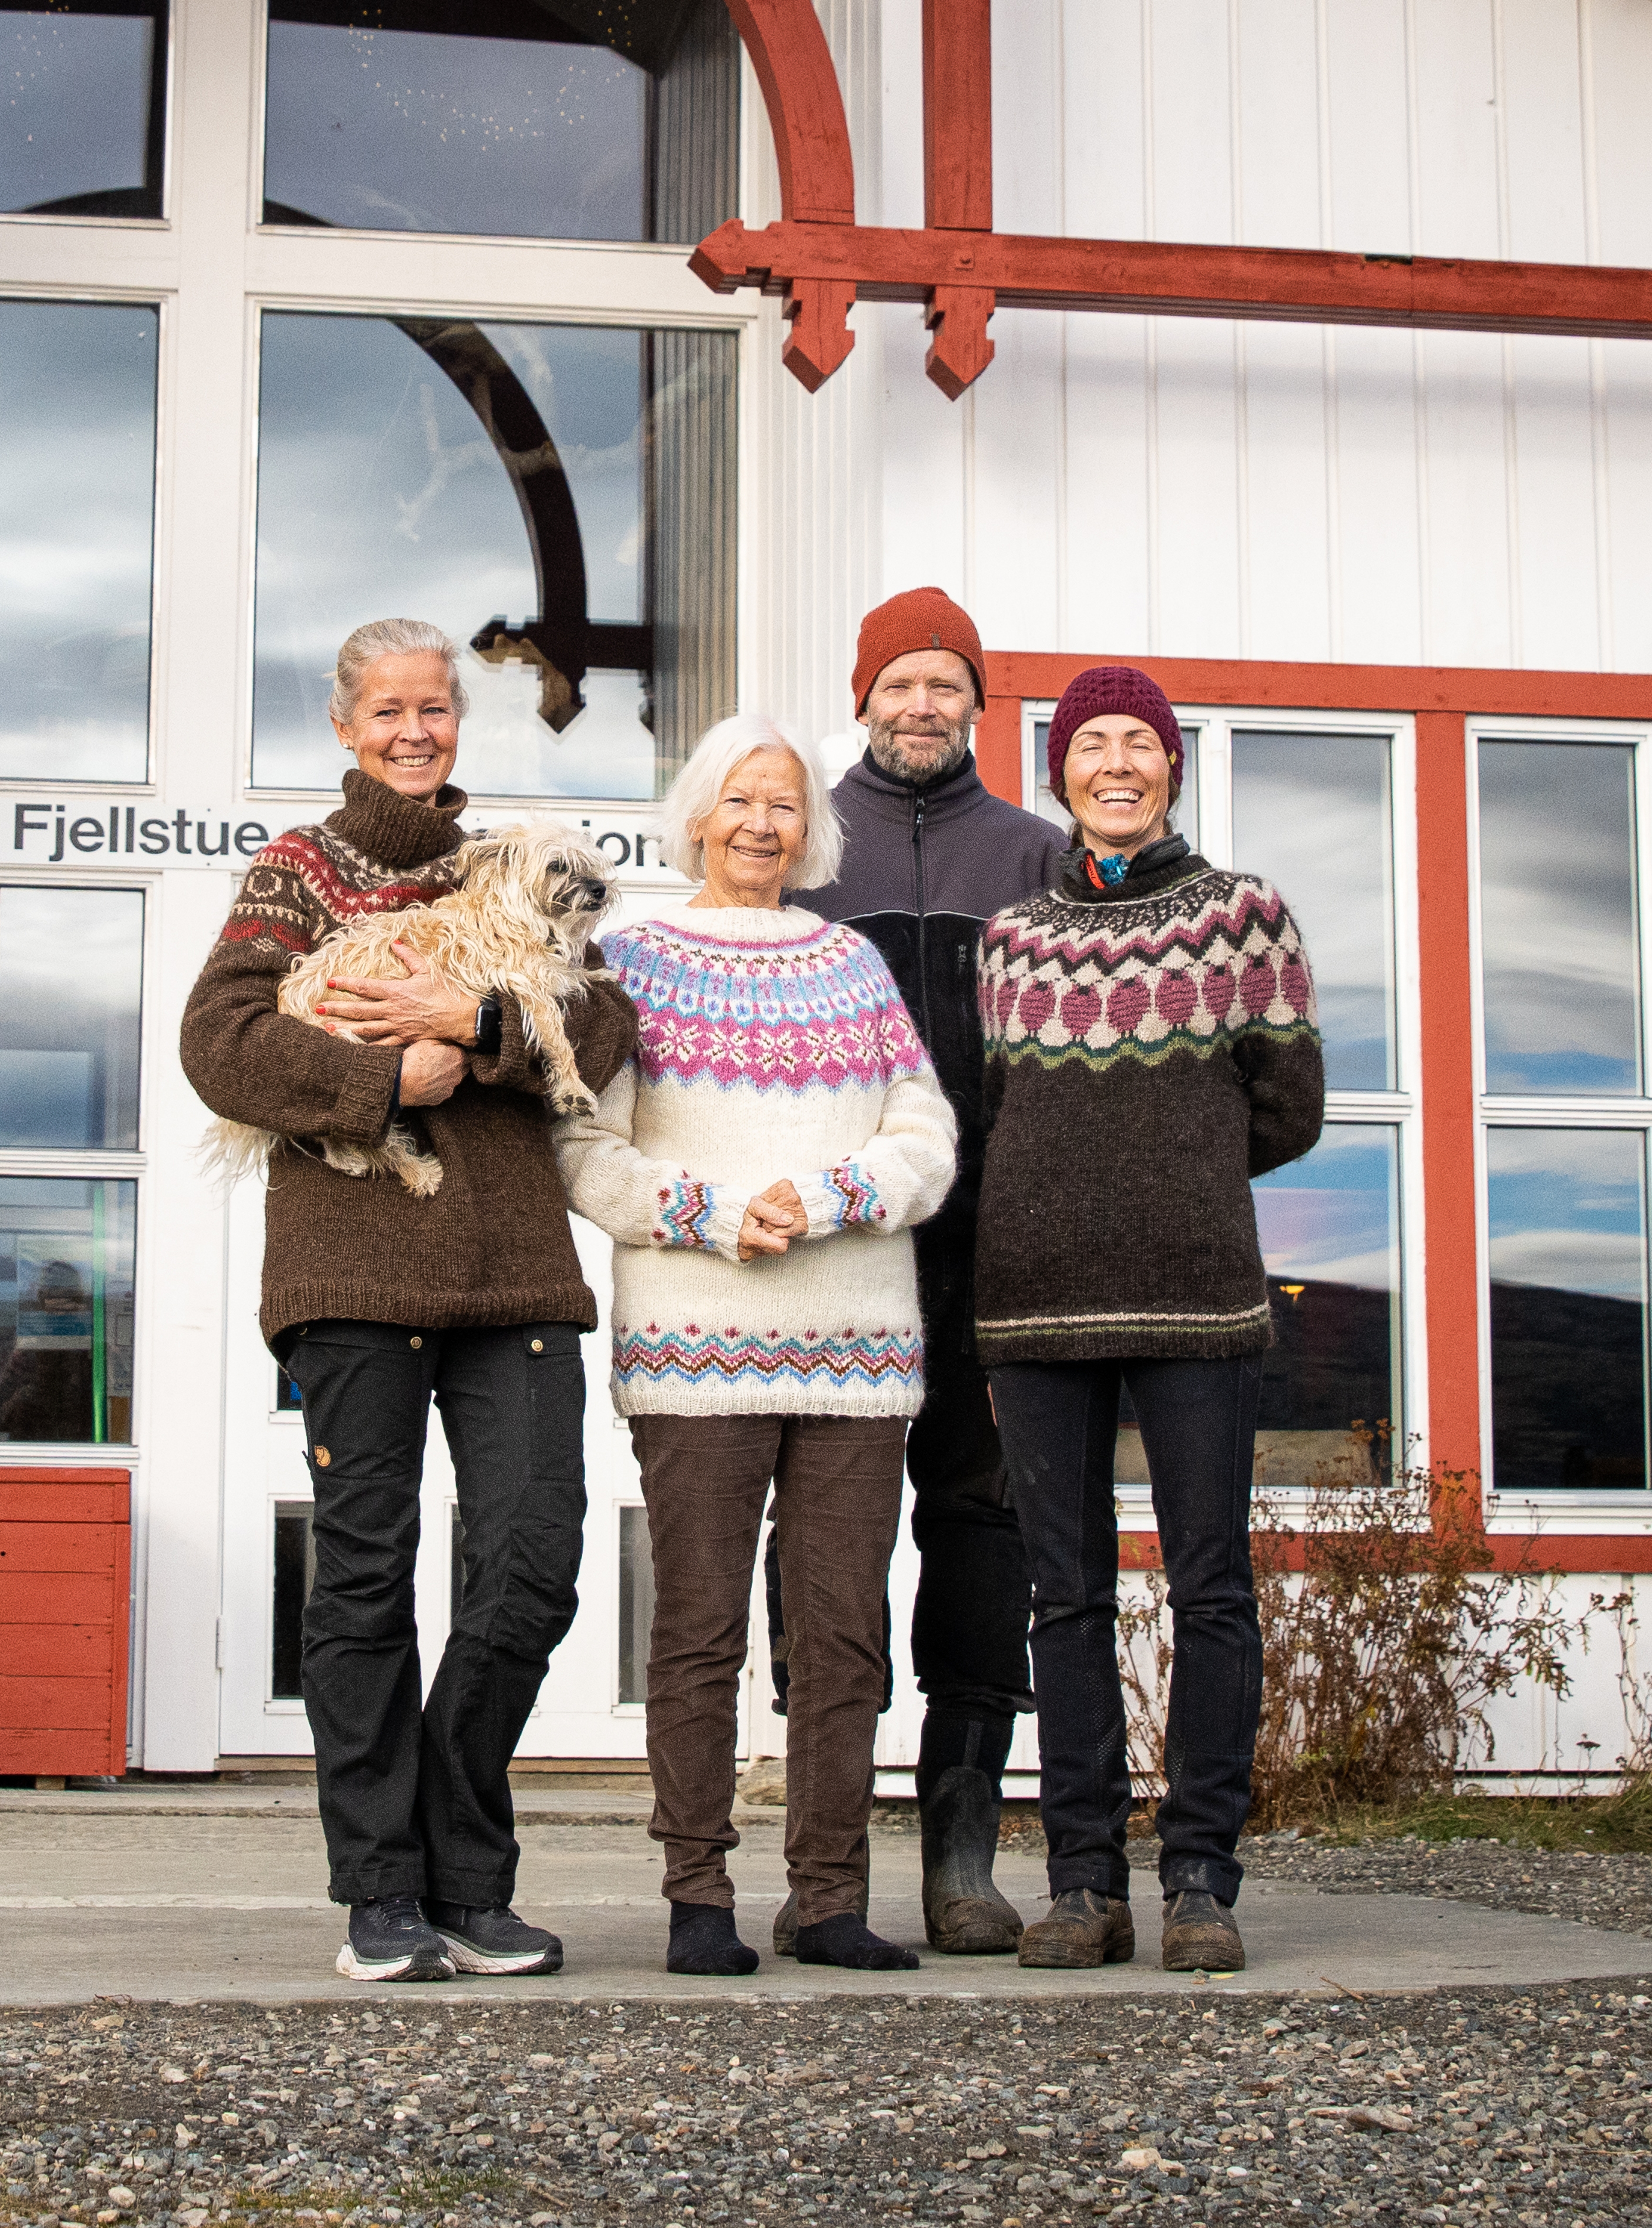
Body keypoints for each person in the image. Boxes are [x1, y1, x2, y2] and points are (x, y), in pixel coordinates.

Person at [181, 617, 637, 1985]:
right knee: (366, 1579)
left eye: (434, 706)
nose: (415, 728)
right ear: (345, 724)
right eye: (388, 708)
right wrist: (388, 1084)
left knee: (533, 1565)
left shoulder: (508, 866)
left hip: (512, 1275)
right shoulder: (295, 873)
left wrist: (482, 1028)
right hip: (350, 1268)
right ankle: (388, 1892)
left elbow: (603, 1030)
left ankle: (457, 1854)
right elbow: (221, 1041)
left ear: (457, 721)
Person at [555, 713, 957, 1976]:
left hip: (859, 1353)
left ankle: (829, 1897)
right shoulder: (628, 960)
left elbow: (927, 1133)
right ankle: (697, 1896)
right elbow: (582, 1146)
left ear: (811, 826)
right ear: (697, 815)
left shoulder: (851, 964)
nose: (761, 824)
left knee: (841, 1632)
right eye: (739, 801)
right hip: (694, 1345)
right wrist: (720, 1215)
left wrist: (833, 1195)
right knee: (698, 1627)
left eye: (783, 804)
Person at [974, 664, 1324, 1972]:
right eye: (1090, 745)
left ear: (1172, 769)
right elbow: (1001, 1117)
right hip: (1036, 1309)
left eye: (1141, 743)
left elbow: (1288, 1108)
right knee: (1062, 1598)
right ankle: (1082, 1885)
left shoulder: (1246, 918)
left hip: (1198, 1300)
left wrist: (1177, 1182)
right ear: (1059, 772)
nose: (1116, 763)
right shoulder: (1008, 940)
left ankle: (1198, 1883)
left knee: (1211, 1588)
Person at [776, 586, 1067, 1956]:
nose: (923, 705)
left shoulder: (1037, 856)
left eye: (948, 683)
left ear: (978, 705)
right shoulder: (801, 846)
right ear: (865, 696)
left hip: (992, 1246)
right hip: (837, 1245)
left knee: (978, 1532)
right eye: (901, 683)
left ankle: (961, 1854)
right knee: (826, 1538)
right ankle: (824, 1850)